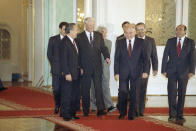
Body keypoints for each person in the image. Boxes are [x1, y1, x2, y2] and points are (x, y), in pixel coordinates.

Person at [76, 17, 110, 117]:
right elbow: (77, 53)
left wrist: (107, 56)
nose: (91, 27)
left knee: (98, 88)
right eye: (90, 25)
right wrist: (79, 66)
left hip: (97, 67)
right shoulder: (79, 36)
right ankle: (86, 110)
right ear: (85, 25)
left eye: (93, 25)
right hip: (85, 68)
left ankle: (100, 109)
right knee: (85, 90)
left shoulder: (98, 35)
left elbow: (103, 47)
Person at [114, 24, 149, 120]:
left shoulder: (141, 42)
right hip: (123, 72)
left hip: (137, 72)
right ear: (124, 33)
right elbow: (117, 59)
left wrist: (146, 71)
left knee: (134, 93)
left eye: (131, 33)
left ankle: (131, 114)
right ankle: (122, 112)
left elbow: (146, 58)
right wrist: (116, 72)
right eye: (126, 33)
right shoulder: (120, 42)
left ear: (135, 32)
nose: (129, 35)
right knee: (122, 92)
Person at [161, 24, 195, 123]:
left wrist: (192, 71)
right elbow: (165, 55)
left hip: (184, 72)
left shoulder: (190, 42)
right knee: (171, 93)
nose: (178, 31)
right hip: (171, 71)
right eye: (177, 30)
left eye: (180, 29)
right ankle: (172, 114)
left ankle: (180, 115)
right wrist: (163, 69)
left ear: (185, 31)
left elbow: (192, 57)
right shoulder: (170, 41)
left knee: (182, 93)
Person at [90, 26, 117, 113]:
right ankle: (93, 105)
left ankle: (109, 105)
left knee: (105, 86)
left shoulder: (108, 42)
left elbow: (105, 54)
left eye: (105, 32)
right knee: (93, 87)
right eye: (102, 32)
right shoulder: (92, 41)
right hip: (94, 67)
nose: (104, 34)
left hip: (105, 68)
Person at [135, 22, 158, 116]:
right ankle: (135, 110)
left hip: (146, 69)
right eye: (138, 29)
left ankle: (141, 111)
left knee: (143, 90)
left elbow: (154, 55)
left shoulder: (151, 40)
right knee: (135, 90)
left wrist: (155, 68)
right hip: (134, 69)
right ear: (136, 31)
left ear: (145, 29)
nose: (140, 31)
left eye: (142, 29)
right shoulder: (133, 40)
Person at [59, 23, 80, 121]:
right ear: (70, 31)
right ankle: (66, 114)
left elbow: (75, 57)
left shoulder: (73, 41)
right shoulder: (64, 42)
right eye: (76, 30)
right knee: (67, 94)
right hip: (69, 74)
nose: (77, 32)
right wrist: (67, 73)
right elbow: (63, 60)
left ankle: (72, 113)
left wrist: (80, 68)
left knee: (74, 94)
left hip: (75, 73)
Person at [47, 22, 68, 114]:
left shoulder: (70, 40)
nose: (65, 31)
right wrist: (55, 64)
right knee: (56, 89)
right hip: (56, 69)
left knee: (65, 90)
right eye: (64, 29)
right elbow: (49, 54)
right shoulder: (53, 39)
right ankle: (57, 105)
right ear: (60, 29)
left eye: (67, 29)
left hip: (67, 70)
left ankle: (63, 107)